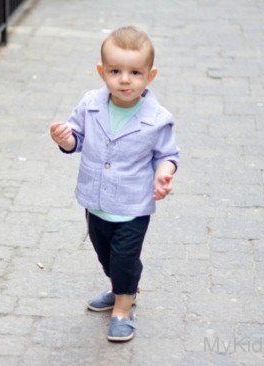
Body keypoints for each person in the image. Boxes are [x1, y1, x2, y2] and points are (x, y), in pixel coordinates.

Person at [49, 25, 179, 342]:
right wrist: (64, 139)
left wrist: (164, 173)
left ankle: (123, 306)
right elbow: (75, 140)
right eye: (115, 71)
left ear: (150, 76)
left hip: (133, 207)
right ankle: (120, 286)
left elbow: (168, 154)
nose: (124, 79)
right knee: (105, 254)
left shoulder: (157, 118)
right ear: (101, 71)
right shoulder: (90, 104)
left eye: (135, 72)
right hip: (95, 202)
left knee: (124, 258)